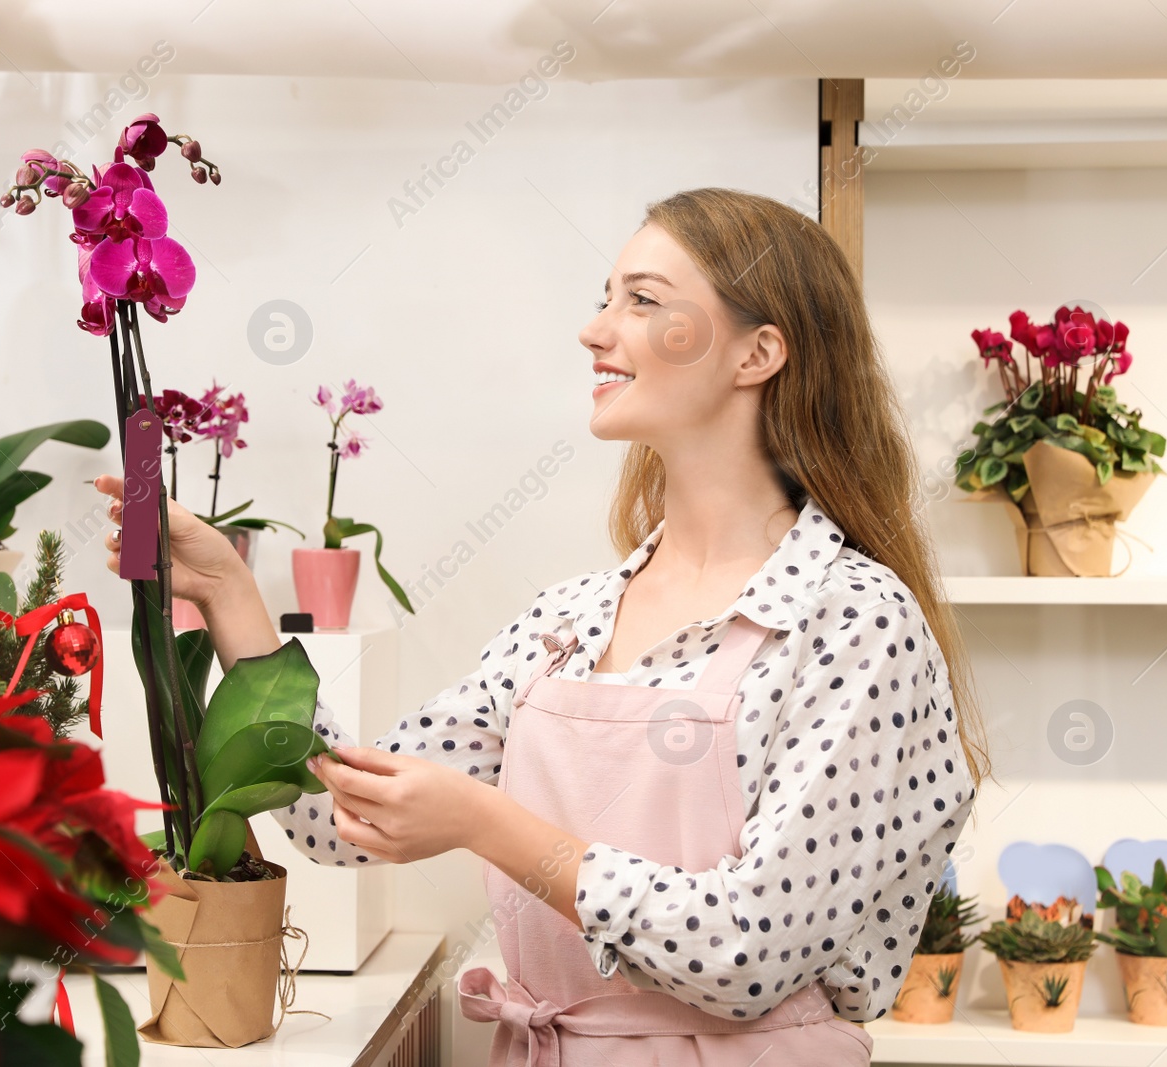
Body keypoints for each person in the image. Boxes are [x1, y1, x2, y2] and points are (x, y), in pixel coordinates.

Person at [95, 187, 989, 1066]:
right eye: (604, 299)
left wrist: (485, 822)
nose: (595, 329)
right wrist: (231, 599)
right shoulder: (571, 620)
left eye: (642, 301)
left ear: (757, 353)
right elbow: (340, 814)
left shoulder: (853, 621)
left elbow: (743, 951)